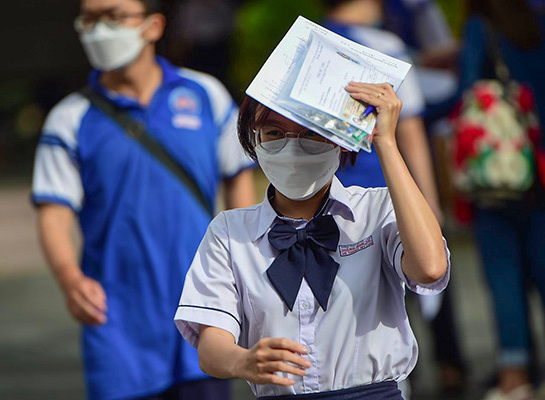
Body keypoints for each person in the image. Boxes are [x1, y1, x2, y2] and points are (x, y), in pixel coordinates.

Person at [31, 0, 256, 399]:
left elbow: (237, 180)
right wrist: (70, 280)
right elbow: (53, 212)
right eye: (90, 19)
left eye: (114, 16)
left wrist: (245, 262)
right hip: (117, 320)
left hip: (203, 305)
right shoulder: (69, 118)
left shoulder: (205, 95)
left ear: (153, 26)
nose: (100, 30)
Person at [174, 80, 450, 399]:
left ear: (341, 141)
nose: (292, 148)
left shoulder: (377, 210)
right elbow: (211, 347)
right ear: (254, 139)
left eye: (311, 133)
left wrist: (386, 141)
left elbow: (430, 268)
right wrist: (243, 360)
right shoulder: (230, 231)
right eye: (274, 133)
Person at [321, 1, 467, 395]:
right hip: (387, 196)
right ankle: (447, 366)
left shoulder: (310, 44)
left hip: (330, 202)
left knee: (360, 298)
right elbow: (412, 129)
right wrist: (429, 202)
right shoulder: (381, 43)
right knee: (424, 273)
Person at [450, 1, 545, 399]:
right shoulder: (537, 19)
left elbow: (466, 94)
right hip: (538, 163)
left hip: (499, 172)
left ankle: (515, 375)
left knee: (503, 273)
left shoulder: (480, 26)